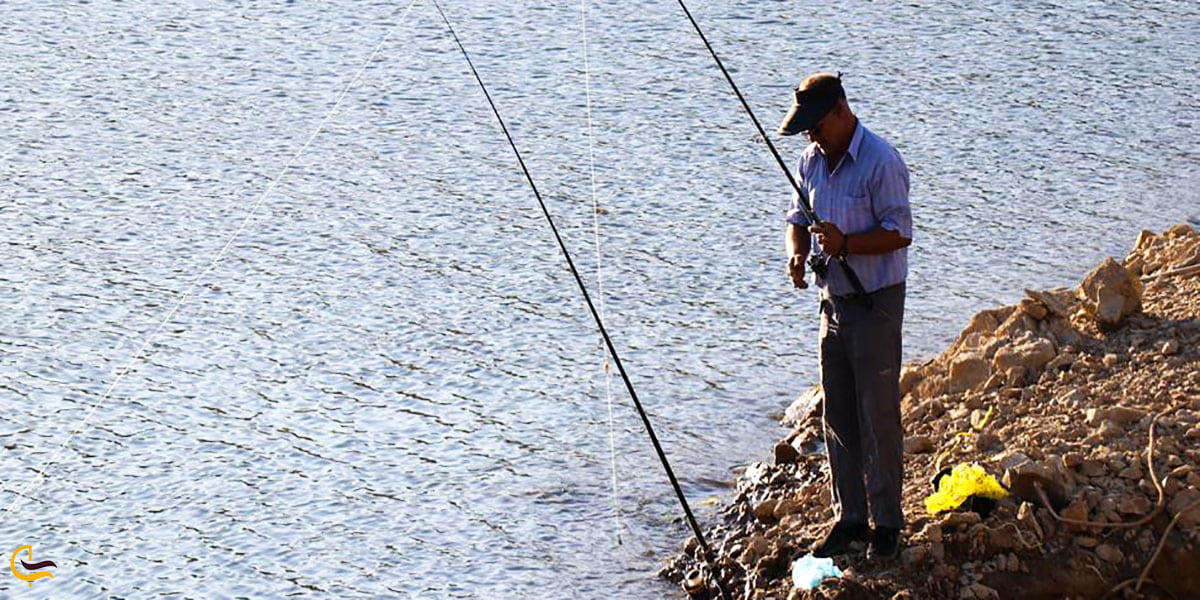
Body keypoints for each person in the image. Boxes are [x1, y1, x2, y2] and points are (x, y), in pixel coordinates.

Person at [777, 72, 913, 560]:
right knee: (837, 413)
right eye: (805, 127)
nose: (811, 135)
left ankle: (888, 526)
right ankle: (850, 518)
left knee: (878, 414)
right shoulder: (810, 160)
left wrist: (849, 244)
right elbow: (797, 219)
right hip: (831, 302)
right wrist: (797, 254)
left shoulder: (881, 160)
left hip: (875, 302)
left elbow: (900, 231)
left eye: (816, 124)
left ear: (840, 110)